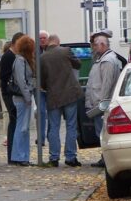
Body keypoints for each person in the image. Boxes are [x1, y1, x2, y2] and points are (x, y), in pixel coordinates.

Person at [41, 34, 82, 167]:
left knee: (54, 127)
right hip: (70, 94)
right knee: (71, 126)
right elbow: (78, 64)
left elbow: (41, 80)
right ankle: (70, 157)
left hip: (53, 97)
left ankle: (54, 158)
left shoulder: (43, 57)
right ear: (58, 42)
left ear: (48, 42)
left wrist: (48, 87)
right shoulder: (66, 51)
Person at [84, 32, 123, 168]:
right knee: (101, 132)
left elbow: (106, 84)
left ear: (102, 45)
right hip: (100, 103)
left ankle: (106, 159)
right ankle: (104, 158)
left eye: (95, 45)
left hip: (101, 105)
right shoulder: (104, 59)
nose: (93, 48)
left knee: (102, 133)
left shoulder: (107, 61)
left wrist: (102, 103)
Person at [10, 36, 36, 166]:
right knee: (22, 128)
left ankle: (22, 156)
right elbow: (21, 81)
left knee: (23, 128)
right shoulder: (20, 61)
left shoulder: (23, 60)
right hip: (22, 98)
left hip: (24, 97)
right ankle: (20, 156)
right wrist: (27, 97)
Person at [0, 32, 24, 164]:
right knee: (14, 121)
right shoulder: (9, 56)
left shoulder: (13, 55)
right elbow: (4, 77)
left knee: (14, 121)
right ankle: (13, 155)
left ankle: (14, 155)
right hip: (10, 93)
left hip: (9, 92)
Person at [36, 29, 50, 145]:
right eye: (40, 38)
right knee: (40, 112)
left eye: (44, 38)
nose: (42, 40)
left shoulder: (52, 51)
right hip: (39, 88)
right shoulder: (35, 52)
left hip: (51, 87)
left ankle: (51, 135)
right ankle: (41, 138)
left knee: (52, 112)